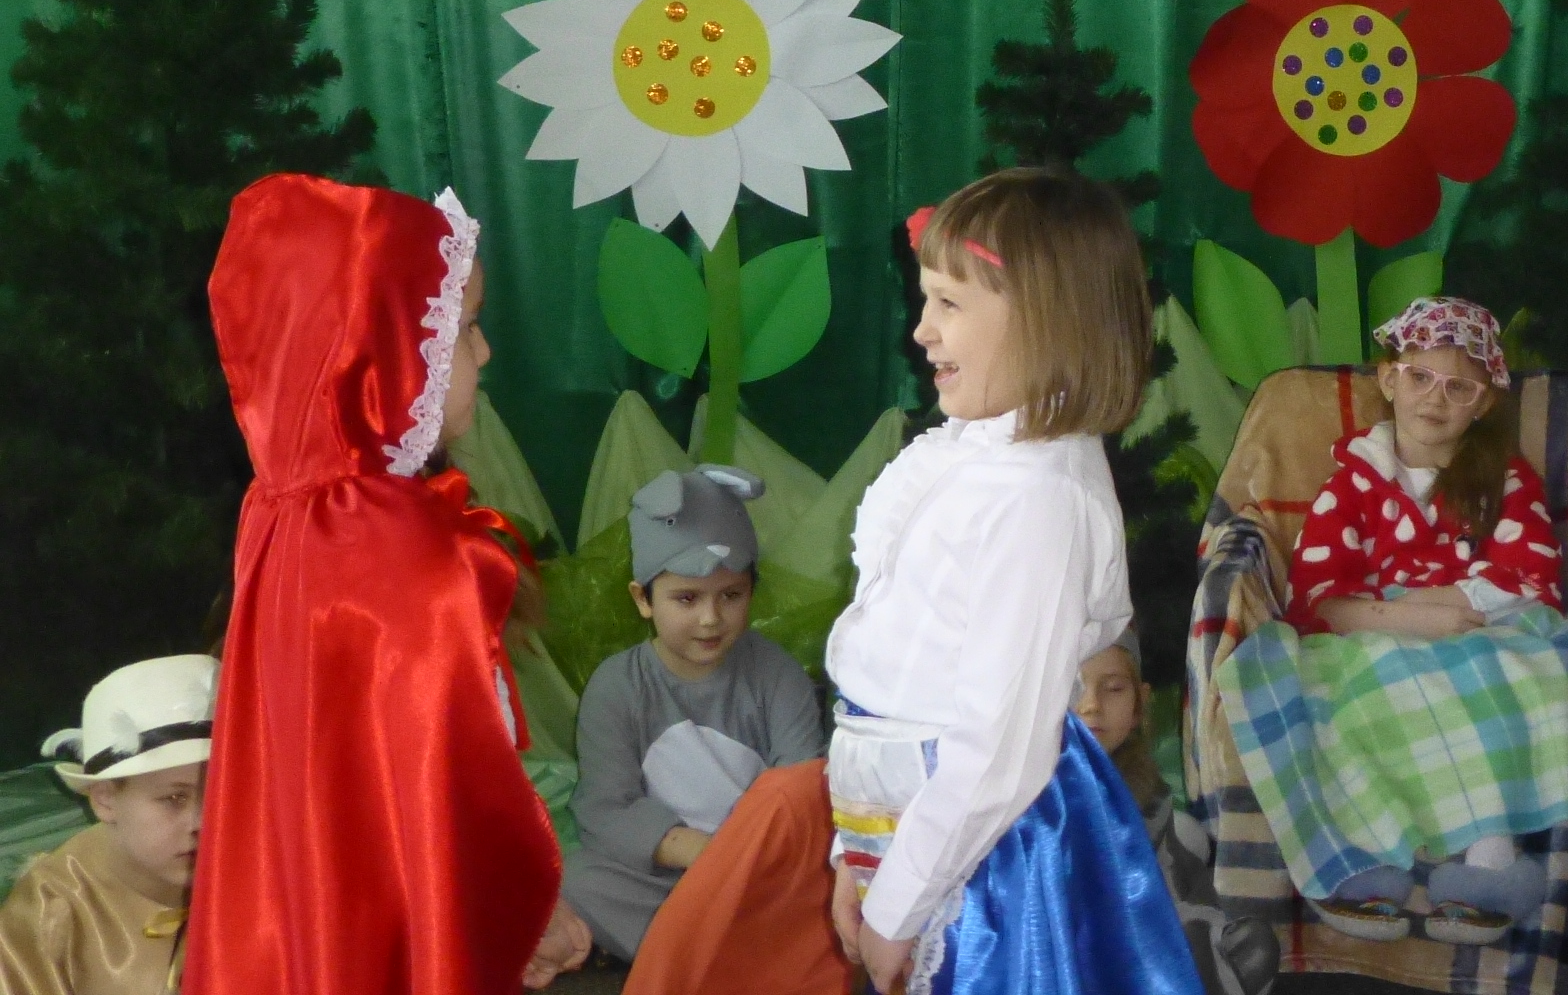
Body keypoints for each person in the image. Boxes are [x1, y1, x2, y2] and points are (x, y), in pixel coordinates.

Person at [623, 167, 1199, 995]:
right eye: (926, 301)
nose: (922, 331)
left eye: (948, 304)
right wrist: (858, 861)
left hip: (987, 862)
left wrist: (897, 907)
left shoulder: (1037, 498)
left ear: (1045, 318)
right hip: (914, 838)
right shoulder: (974, 459)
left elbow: (1001, 748)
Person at [183, 176, 590, 994]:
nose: (483, 353)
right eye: (463, 328)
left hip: (322, 924)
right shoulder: (403, 556)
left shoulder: (288, 514)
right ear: (380, 356)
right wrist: (526, 912)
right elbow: (455, 790)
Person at [1216, 295, 1568, 944]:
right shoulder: (1350, 483)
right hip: (1371, 634)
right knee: (1346, 689)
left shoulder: (1505, 481)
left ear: (1483, 403)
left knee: (1507, 673)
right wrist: (1408, 616)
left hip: (1482, 629)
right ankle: (1370, 853)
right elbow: (1320, 593)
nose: (1436, 397)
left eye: (1458, 387)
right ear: (1389, 379)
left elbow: (1528, 573)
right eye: (1420, 377)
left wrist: (1449, 607)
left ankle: (1489, 861)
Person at [561, 465, 827, 964]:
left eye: (731, 596)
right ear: (643, 599)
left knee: (834, 882)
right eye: (686, 598)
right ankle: (722, 954)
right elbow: (605, 806)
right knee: (578, 879)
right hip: (667, 873)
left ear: (751, 592)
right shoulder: (616, 684)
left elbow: (801, 788)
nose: (710, 618)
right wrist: (697, 853)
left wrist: (745, 862)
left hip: (761, 869)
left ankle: (702, 952)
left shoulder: (777, 674)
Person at [1075, 631, 1278, 995]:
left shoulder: (1147, 796)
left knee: (1248, 944)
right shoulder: (1026, 792)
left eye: (1114, 689)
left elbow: (1178, 899)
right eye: (1073, 688)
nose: (1091, 704)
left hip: (1145, 949)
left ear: (1140, 704)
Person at [2, 655, 218, 994]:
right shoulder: (55, 909)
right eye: (174, 798)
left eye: (221, 793)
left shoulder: (274, 876)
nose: (202, 821)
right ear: (105, 800)